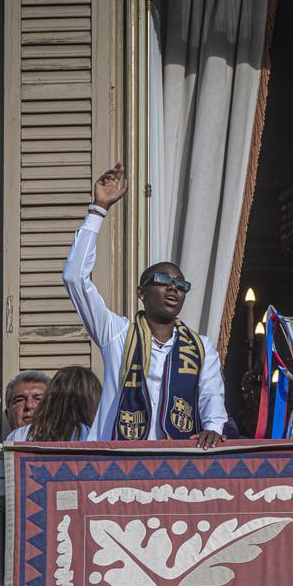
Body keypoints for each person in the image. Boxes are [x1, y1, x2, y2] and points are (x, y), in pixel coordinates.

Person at [64, 164, 229, 446]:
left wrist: (214, 426)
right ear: (142, 291)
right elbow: (75, 278)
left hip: (177, 462)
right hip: (117, 458)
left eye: (181, 284)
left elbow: (211, 395)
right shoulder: (117, 334)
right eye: (163, 279)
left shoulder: (201, 348)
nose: (173, 287)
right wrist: (98, 210)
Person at [8, 366, 100, 442]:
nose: (29, 405)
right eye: (20, 400)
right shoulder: (100, 436)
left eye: (38, 399)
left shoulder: (17, 436)